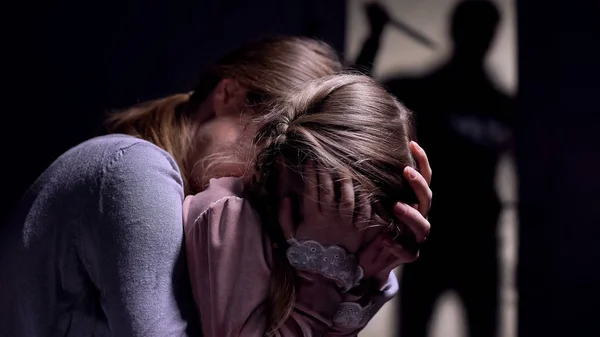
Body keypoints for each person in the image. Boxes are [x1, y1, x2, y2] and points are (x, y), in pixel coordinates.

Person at [0, 37, 433, 337]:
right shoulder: (132, 170)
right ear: (230, 94)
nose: (264, 177)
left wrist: (368, 260)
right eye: (273, 143)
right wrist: (322, 269)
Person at [183, 74, 427, 336]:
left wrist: (365, 280)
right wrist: (321, 274)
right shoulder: (227, 219)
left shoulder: (345, 264)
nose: (346, 262)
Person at [355, 2, 514, 337]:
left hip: (480, 244)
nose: (478, 38)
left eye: (485, 30)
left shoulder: (502, 104)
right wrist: (375, 38)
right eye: (473, 28)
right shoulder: (423, 92)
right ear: (456, 31)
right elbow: (358, 102)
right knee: (414, 327)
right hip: (429, 241)